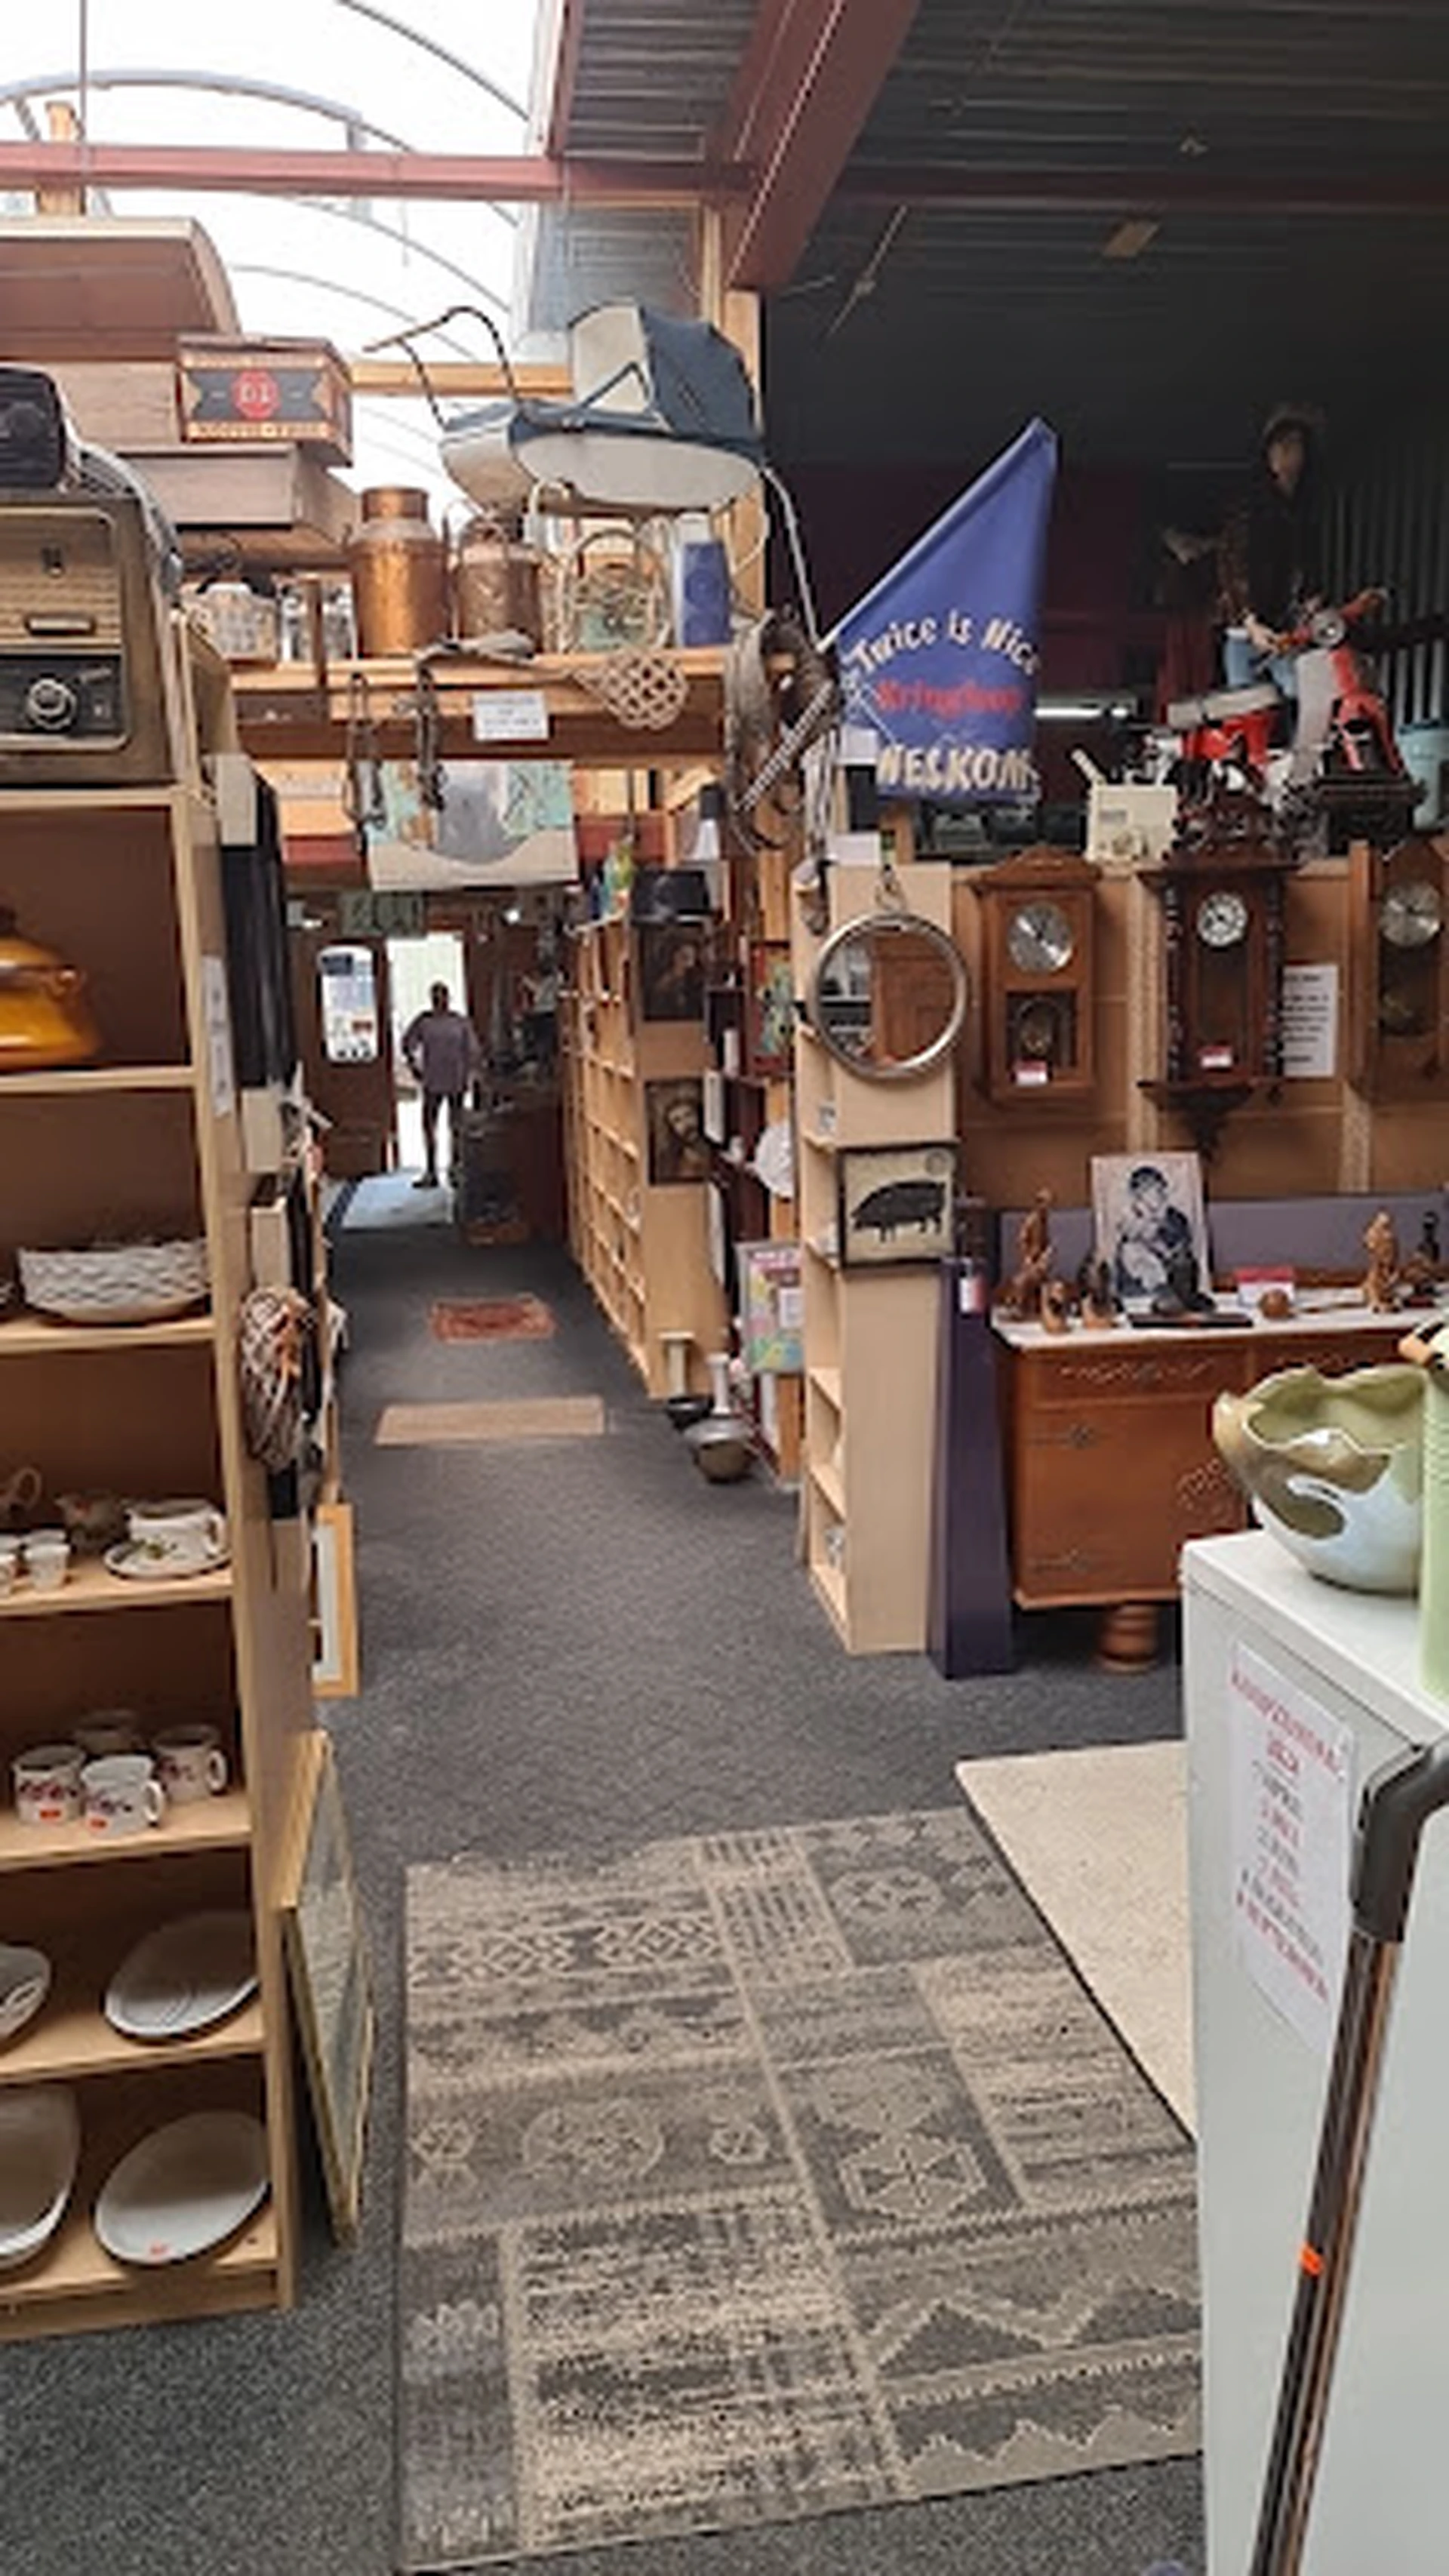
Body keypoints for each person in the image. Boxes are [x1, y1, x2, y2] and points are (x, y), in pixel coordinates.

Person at [1218, 404, 1324, 698]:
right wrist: (1250, 621)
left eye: (1295, 446)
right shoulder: (1250, 507)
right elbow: (1233, 564)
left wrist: (1313, 601)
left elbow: (1308, 569)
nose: (1287, 454)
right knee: (1249, 708)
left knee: (1303, 693)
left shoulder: (1303, 512)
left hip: (1286, 632)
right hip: (1248, 631)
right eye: (1280, 446)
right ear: (1268, 455)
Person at [401, 982, 483, 1190]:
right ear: (432, 999)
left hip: (456, 1080)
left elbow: (473, 1051)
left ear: (448, 998)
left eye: (442, 996)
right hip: (433, 1081)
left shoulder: (460, 1022)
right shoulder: (424, 1021)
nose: (439, 1000)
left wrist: (474, 1074)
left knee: (456, 1127)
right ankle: (431, 1171)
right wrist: (413, 1066)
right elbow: (407, 1043)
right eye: (436, 996)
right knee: (430, 1127)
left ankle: (456, 1169)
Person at [1112, 1163, 1201, 1306]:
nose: (1158, 1194)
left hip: (1174, 1289)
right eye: (1148, 1190)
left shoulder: (1175, 1219)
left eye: (1159, 1188)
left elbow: (1182, 1251)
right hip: (1138, 1294)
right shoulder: (1132, 1222)